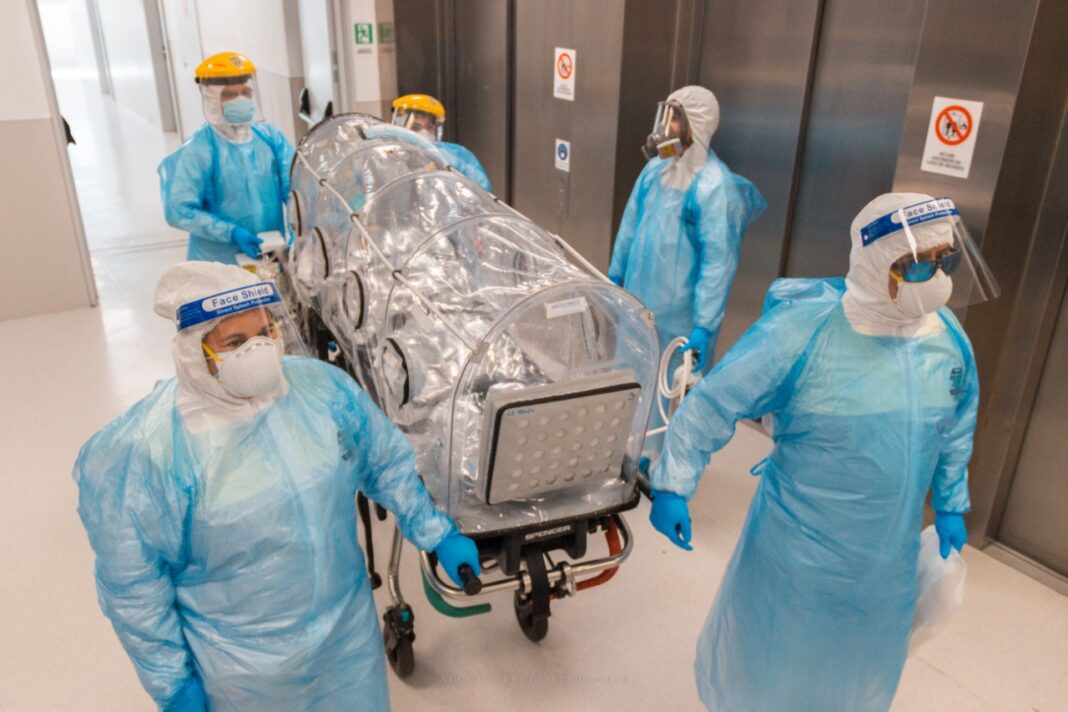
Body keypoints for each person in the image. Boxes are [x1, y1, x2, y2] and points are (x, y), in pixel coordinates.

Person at [73, 262, 480, 711]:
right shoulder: (149, 451)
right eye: (236, 343)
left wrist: (435, 532)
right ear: (194, 351)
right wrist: (172, 684)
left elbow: (384, 462)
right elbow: (135, 587)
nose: (260, 350)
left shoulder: (320, 390)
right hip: (243, 670)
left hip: (346, 641)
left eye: (266, 331)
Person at [648, 192, 994, 711]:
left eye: (946, 261)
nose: (938, 279)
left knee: (858, 666)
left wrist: (949, 502)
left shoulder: (947, 337)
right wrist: (673, 484)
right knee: (778, 661)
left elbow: (957, 425)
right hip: (798, 550)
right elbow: (714, 402)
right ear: (878, 264)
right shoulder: (803, 332)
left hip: (887, 555)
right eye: (919, 266)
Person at [607, 86, 766, 458]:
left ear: (697, 125)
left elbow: (718, 264)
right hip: (637, 302)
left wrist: (704, 326)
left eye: (675, 119)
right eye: (666, 117)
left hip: (678, 316)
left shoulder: (714, 186)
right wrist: (615, 276)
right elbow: (630, 225)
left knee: (665, 393)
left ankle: (652, 462)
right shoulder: (654, 170)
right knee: (629, 378)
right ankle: (622, 452)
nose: (666, 127)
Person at [159, 52, 295, 265]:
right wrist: (231, 232)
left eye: (246, 92)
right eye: (230, 95)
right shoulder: (198, 150)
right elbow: (177, 209)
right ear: (212, 99)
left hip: (270, 254)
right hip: (217, 262)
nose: (241, 100)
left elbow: (297, 189)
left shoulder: (270, 138)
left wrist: (299, 231)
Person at [391, 93, 493, 192]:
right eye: (415, 127)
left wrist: (443, 177)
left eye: (429, 127)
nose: (423, 134)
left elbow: (482, 192)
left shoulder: (456, 155)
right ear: (399, 127)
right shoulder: (389, 156)